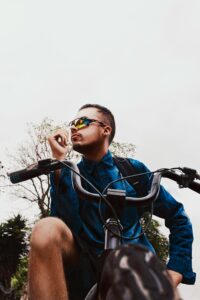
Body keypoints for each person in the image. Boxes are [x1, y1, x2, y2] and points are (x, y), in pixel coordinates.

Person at [28, 104, 196, 300]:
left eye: (82, 122)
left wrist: (176, 269)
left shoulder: (132, 171)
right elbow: (64, 224)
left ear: (105, 130)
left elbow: (178, 217)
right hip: (84, 266)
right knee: (46, 228)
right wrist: (59, 161)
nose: (73, 127)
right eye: (72, 123)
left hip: (134, 266)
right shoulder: (69, 174)